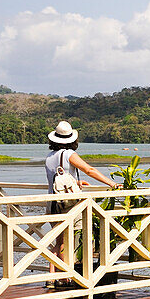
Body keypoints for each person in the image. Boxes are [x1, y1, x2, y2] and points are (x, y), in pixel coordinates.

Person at [45, 120, 120, 287]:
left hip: (52, 203)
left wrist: (76, 183)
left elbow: (56, 180)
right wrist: (111, 184)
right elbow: (89, 169)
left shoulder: (49, 157)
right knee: (67, 242)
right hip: (67, 205)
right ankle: (65, 277)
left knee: (58, 241)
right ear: (71, 139)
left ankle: (51, 277)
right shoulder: (69, 154)